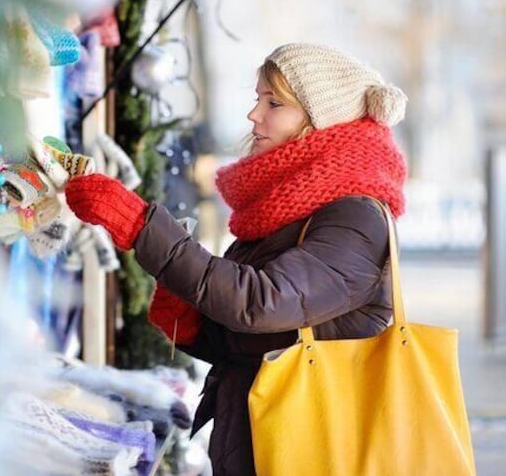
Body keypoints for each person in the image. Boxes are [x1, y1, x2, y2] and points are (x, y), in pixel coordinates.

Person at [65, 43, 409, 475]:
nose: (254, 115)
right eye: (257, 98)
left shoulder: (355, 217)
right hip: (258, 444)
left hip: (315, 451)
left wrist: (142, 227)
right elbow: (257, 342)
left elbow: (261, 303)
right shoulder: (289, 212)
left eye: (274, 103)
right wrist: (193, 325)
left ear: (319, 122)